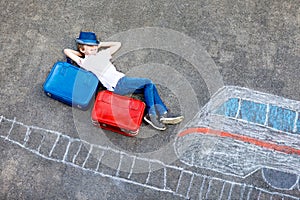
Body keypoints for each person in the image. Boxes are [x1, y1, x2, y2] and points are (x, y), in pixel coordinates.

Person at [64, 31, 183, 131]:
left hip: (122, 81)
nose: (94, 49)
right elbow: (67, 51)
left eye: (94, 47)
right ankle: (152, 115)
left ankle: (162, 113)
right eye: (90, 47)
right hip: (118, 85)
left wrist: (99, 45)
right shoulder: (86, 62)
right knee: (147, 82)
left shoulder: (101, 55)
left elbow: (117, 44)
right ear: (83, 49)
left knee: (149, 86)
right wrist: (81, 53)